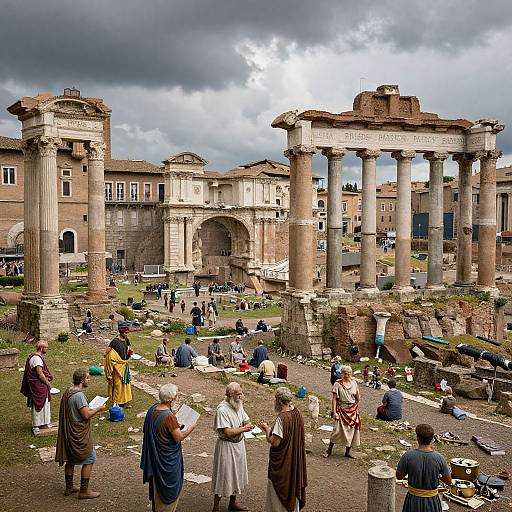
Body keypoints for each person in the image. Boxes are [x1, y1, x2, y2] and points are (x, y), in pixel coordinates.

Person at [141, 383, 197, 512]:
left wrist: (176, 425)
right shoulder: (169, 416)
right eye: (176, 396)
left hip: (156, 457)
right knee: (167, 492)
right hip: (166, 460)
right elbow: (178, 437)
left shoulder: (153, 409)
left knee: (157, 489)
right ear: (171, 399)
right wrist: (191, 428)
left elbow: (165, 429)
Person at [55, 368, 107, 499]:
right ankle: (84, 491)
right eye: (88, 378)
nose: (89, 380)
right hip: (78, 434)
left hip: (69, 432)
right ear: (82, 380)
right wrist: (99, 408)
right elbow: (86, 414)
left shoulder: (68, 391)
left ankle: (69, 487)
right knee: (90, 459)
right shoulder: (79, 395)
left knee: (70, 459)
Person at [260, 387, 307, 512]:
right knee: (293, 485)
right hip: (295, 460)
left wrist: (266, 429)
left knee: (279, 493)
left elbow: (275, 442)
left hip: (283, 463)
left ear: (279, 401)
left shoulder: (282, 418)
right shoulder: (297, 413)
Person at [212, 382, 253, 512]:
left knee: (237, 474)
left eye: (241, 393)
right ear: (231, 395)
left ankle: (233, 503)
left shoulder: (238, 404)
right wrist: (243, 428)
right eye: (238, 394)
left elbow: (246, 419)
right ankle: (216, 507)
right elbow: (227, 432)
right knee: (224, 475)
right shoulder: (222, 410)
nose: (241, 396)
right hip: (227, 446)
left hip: (239, 445)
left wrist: (248, 424)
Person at [396, 423, 452, 512]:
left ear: (417, 438)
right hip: (432, 501)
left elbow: (399, 476)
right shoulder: (439, 458)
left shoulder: (408, 456)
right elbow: (448, 481)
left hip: (413, 500)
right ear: (432, 439)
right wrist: (435, 474)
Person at [324, 366, 361, 459]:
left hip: (352, 410)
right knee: (336, 431)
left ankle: (348, 452)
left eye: (349, 373)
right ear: (342, 374)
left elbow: (358, 396)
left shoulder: (354, 383)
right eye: (345, 373)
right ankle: (329, 451)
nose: (348, 375)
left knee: (352, 431)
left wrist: (355, 404)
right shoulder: (337, 384)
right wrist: (334, 412)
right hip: (341, 409)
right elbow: (334, 399)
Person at [20, 340, 53, 433]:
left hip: (41, 385)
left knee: (45, 402)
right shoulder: (36, 358)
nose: (47, 349)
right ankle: (36, 425)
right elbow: (39, 373)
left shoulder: (38, 357)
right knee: (38, 403)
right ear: (41, 348)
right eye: (46, 347)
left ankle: (45, 422)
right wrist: (47, 382)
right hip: (37, 385)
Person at [104, 332, 133, 407]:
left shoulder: (126, 339)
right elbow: (111, 359)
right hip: (117, 368)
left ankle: (125, 401)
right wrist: (119, 373)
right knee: (118, 385)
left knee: (125, 383)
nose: (127, 333)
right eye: (125, 332)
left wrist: (129, 352)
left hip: (124, 365)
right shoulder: (115, 342)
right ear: (121, 331)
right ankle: (117, 401)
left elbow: (129, 348)